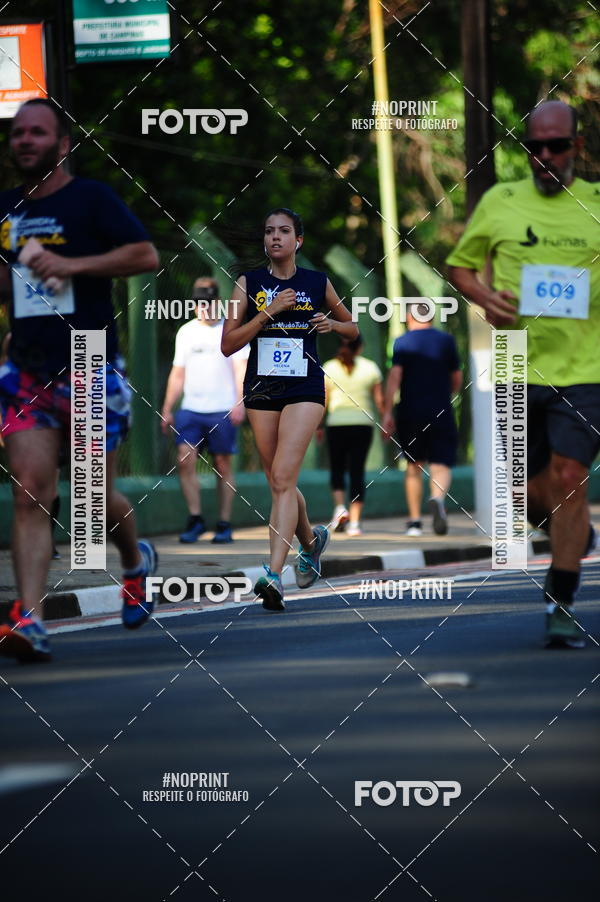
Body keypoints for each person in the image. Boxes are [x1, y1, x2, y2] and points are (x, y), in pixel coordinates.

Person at [0, 99, 160, 663]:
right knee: (30, 489)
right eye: (18, 133)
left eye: (37, 133)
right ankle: (31, 620)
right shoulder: (5, 210)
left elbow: (146, 255)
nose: (25, 140)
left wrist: (72, 266)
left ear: (62, 144)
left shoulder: (91, 199)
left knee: (92, 498)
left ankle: (135, 562)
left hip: (88, 360)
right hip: (26, 371)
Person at [447, 100, 599, 649]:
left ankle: (560, 603)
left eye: (557, 146)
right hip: (517, 362)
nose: (546, 156)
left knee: (568, 478)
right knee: (526, 497)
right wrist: (486, 298)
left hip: (587, 369)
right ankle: (573, 529)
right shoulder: (500, 201)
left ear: (576, 148)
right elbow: (460, 266)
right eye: (535, 147)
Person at [221, 207, 358, 610]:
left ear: (298, 240)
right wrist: (267, 313)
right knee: (278, 482)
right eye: (268, 232)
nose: (275, 237)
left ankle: (272, 575)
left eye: (284, 231)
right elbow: (228, 343)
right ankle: (311, 544)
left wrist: (333, 326)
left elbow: (354, 327)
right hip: (263, 389)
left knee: (283, 476)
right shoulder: (247, 284)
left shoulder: (317, 282)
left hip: (305, 387)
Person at [161, 277, 249, 544]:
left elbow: (240, 369)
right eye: (199, 304)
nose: (204, 308)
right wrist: (167, 407)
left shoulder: (231, 330)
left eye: (209, 303)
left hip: (222, 408)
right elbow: (178, 373)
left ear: (218, 303)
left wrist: (239, 402)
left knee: (223, 465)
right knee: (185, 459)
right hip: (191, 408)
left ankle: (224, 523)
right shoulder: (186, 332)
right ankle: (195, 518)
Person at [383, 303, 462, 537]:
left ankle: (415, 522)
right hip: (440, 409)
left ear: (409, 317)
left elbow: (395, 376)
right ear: (432, 317)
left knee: (413, 465)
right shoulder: (446, 341)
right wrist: (447, 394)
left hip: (410, 410)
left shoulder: (402, 342)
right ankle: (437, 499)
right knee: (441, 463)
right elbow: (456, 377)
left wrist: (387, 411)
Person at [320, 333, 383, 536]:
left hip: (336, 424)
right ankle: (354, 523)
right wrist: (386, 421)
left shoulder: (329, 367)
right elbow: (379, 401)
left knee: (337, 468)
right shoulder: (370, 368)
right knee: (357, 471)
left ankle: (340, 508)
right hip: (362, 425)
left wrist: (318, 426)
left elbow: (324, 401)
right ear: (360, 347)